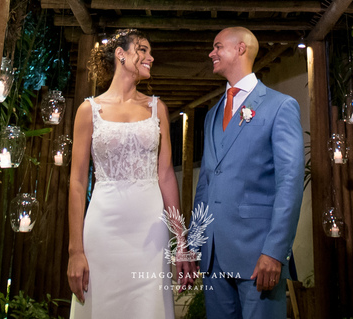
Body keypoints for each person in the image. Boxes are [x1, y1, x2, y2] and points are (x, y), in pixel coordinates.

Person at [66, 29, 195, 317]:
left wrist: (181, 242)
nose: (151, 57)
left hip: (150, 232)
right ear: (120, 54)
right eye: (143, 49)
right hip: (103, 230)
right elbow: (76, 182)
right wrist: (76, 251)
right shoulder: (88, 110)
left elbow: (166, 177)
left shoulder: (156, 108)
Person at [194, 27, 305, 319]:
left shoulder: (280, 106)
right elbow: (205, 185)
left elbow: (290, 183)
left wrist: (274, 251)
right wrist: (196, 244)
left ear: (240, 49)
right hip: (213, 257)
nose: (211, 53)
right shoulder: (212, 114)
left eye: (217, 46)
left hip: (259, 256)